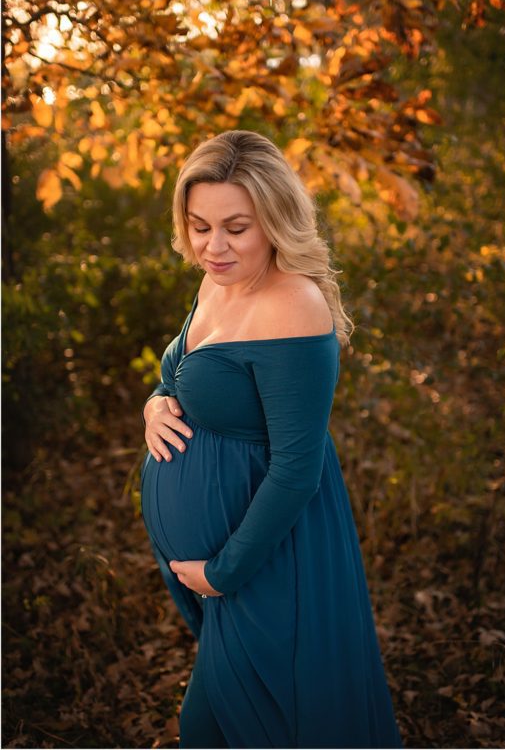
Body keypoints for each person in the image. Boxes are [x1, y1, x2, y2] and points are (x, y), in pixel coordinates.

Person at [140, 130, 402, 748]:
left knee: (234, 727)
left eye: (237, 226)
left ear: (275, 220)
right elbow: (173, 375)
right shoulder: (218, 281)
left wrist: (226, 570)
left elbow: (295, 469)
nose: (214, 245)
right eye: (200, 225)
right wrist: (153, 404)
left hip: (269, 560)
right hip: (225, 561)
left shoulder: (293, 305)